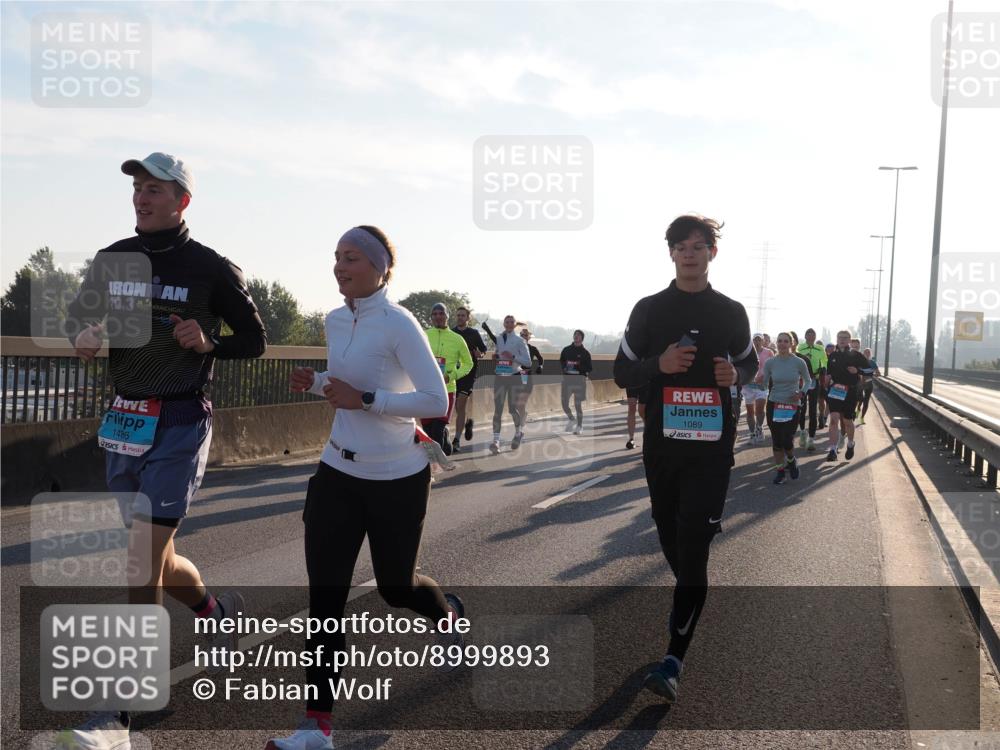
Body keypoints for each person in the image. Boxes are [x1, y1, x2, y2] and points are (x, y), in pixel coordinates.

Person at [62, 152, 267, 748]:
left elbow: (254, 340)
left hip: (179, 420)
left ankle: (118, 710)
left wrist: (208, 341)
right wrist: (83, 336)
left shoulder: (211, 268)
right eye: (138, 187)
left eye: (154, 189)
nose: (141, 197)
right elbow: (77, 319)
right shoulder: (111, 259)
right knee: (159, 558)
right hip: (125, 420)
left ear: (182, 201)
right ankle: (215, 613)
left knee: (139, 556)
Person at [276, 226, 463, 750]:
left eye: (352, 257)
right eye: (337, 256)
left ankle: (445, 614)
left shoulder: (400, 323)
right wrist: (317, 383)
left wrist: (367, 399)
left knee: (395, 588)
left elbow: (435, 402)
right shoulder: (335, 319)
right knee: (325, 599)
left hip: (397, 478)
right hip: (337, 472)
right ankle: (317, 727)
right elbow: (347, 386)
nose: (340, 266)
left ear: (381, 269)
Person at [614, 214, 757, 705]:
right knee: (671, 538)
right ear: (671, 253)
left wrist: (735, 375)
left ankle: (673, 659)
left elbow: (749, 362)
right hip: (662, 447)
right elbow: (621, 372)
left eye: (699, 246)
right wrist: (659, 364)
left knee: (693, 545)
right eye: (682, 246)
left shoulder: (731, 312)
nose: (690, 254)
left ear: (712, 253)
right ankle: (690, 595)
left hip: (712, 452)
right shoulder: (650, 309)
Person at [422, 302, 473, 455]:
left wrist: (451, 376)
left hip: (447, 390)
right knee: (428, 430)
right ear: (431, 317)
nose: (438, 317)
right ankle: (445, 441)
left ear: (447, 316)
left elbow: (468, 363)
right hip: (425, 389)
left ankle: (434, 464)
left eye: (441, 313)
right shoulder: (423, 335)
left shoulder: (457, 339)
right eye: (434, 314)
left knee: (436, 431)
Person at [762, 333, 811, 484]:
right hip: (774, 403)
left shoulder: (799, 362)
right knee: (777, 440)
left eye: (785, 341)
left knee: (787, 439)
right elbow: (764, 384)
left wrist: (801, 393)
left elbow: (808, 381)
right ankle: (780, 472)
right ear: (776, 343)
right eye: (779, 341)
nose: (782, 344)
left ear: (791, 343)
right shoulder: (770, 362)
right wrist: (758, 382)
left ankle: (791, 459)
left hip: (792, 405)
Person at [483, 316, 531, 454]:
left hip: (514, 377)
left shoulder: (520, 341)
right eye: (507, 322)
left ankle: (518, 432)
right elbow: (499, 354)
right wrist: (496, 357)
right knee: (498, 410)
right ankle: (496, 441)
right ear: (503, 324)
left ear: (515, 325)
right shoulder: (499, 338)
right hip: (500, 376)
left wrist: (513, 357)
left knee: (512, 409)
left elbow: (528, 362)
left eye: (511, 322)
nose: (509, 324)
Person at [824, 330, 869, 462]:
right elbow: (830, 372)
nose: (842, 340)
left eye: (845, 338)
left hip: (850, 392)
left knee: (847, 421)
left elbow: (870, 370)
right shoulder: (832, 355)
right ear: (837, 339)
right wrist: (827, 378)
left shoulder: (856, 355)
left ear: (849, 340)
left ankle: (850, 443)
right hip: (835, 391)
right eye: (840, 337)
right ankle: (833, 450)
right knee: (834, 419)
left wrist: (857, 370)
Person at [451, 306, 487, 452]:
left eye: (462, 315)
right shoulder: (451, 333)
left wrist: (480, 354)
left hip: (469, 374)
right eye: (458, 315)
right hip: (453, 374)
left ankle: (456, 440)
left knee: (460, 405)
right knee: (456, 408)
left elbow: (483, 350)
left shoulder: (474, 333)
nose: (460, 317)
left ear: (468, 318)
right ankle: (467, 422)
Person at [796, 328, 827, 452]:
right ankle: (803, 432)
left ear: (815, 337)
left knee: (813, 410)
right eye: (808, 334)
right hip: (803, 380)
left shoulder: (820, 349)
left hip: (815, 380)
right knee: (801, 409)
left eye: (813, 334)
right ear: (805, 336)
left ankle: (811, 439)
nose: (810, 336)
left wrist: (823, 369)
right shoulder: (800, 347)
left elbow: (824, 361)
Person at [559, 329, 593, 436]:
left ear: (582, 338)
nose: (576, 336)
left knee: (577, 405)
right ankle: (571, 419)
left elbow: (589, 368)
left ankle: (579, 426)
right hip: (567, 381)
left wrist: (578, 366)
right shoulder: (566, 350)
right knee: (564, 403)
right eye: (575, 335)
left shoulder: (585, 353)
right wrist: (564, 367)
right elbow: (562, 360)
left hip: (579, 382)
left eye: (578, 335)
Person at [742, 334, 770, 442]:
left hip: (761, 386)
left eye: (759, 340)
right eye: (755, 340)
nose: (757, 342)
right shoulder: (747, 352)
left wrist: (764, 376)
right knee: (750, 412)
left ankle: (759, 427)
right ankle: (752, 433)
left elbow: (772, 367)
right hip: (748, 386)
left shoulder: (768, 352)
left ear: (763, 341)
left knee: (759, 408)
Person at [516, 327, 545, 425]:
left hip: (526, 376)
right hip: (516, 376)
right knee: (516, 403)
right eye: (521, 335)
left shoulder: (532, 349)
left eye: (525, 335)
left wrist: (540, 366)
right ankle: (523, 415)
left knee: (521, 402)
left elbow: (541, 359)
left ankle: (522, 419)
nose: (523, 337)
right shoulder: (515, 348)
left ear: (529, 337)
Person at [857, 347, 880, 425]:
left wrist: (871, 375)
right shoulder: (859, 362)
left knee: (866, 401)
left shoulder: (873, 363)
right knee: (860, 399)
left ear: (870, 354)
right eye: (865, 352)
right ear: (863, 354)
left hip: (869, 384)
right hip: (860, 384)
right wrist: (861, 377)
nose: (867, 354)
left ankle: (862, 418)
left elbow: (878, 373)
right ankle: (858, 409)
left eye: (868, 352)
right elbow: (856, 372)